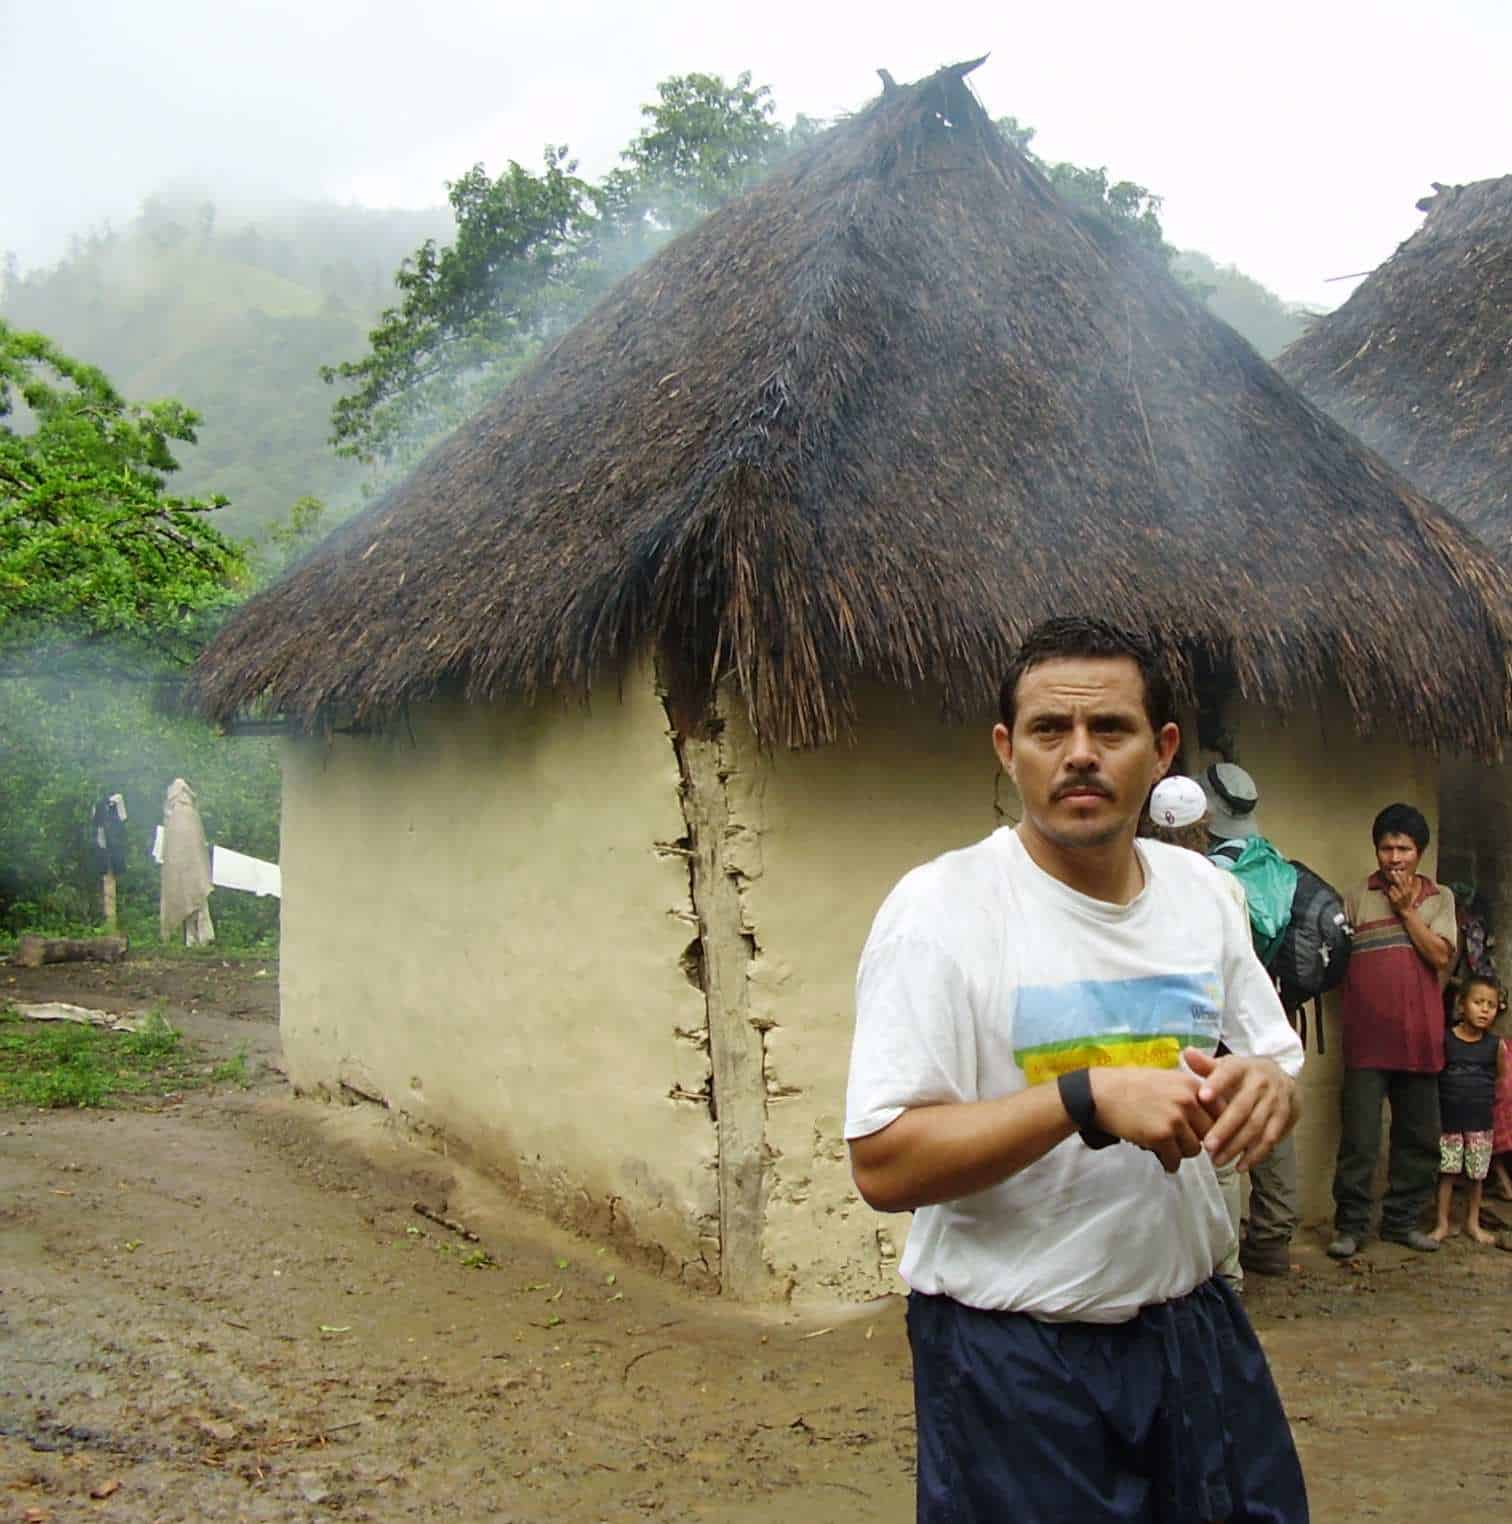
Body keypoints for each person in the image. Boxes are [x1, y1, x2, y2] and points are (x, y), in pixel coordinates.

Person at [846, 616, 1308, 1523]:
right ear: (1006, 750)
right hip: (1012, 1357)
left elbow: (1271, 1058)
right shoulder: (939, 911)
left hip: (1193, 1329)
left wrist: (1269, 1087)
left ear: (1163, 749)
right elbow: (884, 1163)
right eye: (1050, 731)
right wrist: (1084, 1097)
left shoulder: (1204, 896)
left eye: (1112, 730)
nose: (1080, 755)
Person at [1327, 803, 1457, 1258]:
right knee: (1360, 1140)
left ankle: (1402, 1222)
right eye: (1387, 848)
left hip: (1420, 1037)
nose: (1395, 857)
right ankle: (1351, 1227)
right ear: (1376, 850)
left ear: (1420, 852)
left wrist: (1407, 912)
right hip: (1366, 1040)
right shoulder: (1356, 896)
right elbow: (1338, 966)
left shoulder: (1440, 898)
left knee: (1418, 1138)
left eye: (1404, 848)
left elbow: (1441, 958)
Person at [1144, 776, 1248, 1294]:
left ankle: (1182, 1270)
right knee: (1219, 1159)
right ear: (1204, 828)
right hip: (1216, 1037)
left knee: (1162, 1151)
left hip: (1158, 1039)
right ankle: (1223, 1274)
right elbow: (1241, 969)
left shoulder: (1136, 881)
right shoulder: (1224, 884)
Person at [1199, 763, 1301, 1278]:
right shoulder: (1274, 863)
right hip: (1272, 1007)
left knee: (1219, 1145)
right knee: (1272, 1119)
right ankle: (1273, 1240)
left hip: (1221, 1016)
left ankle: (1223, 1266)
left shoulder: (1210, 876)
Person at [1430, 974, 1507, 1244]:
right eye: (1478, 1002)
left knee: (1476, 1176)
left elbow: (1500, 1078)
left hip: (1480, 1123)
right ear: (1462, 1005)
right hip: (1449, 1121)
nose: (1485, 1009)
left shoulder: (1495, 1046)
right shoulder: (1445, 1040)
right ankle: (1442, 1223)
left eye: (1491, 1004)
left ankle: (1472, 1224)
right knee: (1447, 1173)